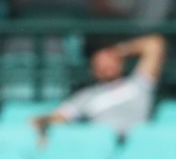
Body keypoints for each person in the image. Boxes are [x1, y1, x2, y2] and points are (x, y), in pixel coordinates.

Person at [32, 34, 165, 137]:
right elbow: (61, 116)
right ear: (93, 70)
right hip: (102, 147)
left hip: (140, 149)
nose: (107, 65)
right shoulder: (86, 96)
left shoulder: (140, 84)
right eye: (100, 63)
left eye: (110, 61)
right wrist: (43, 120)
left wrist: (117, 51)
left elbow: (154, 44)